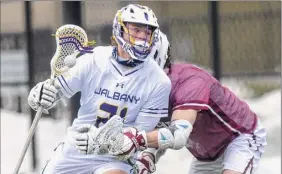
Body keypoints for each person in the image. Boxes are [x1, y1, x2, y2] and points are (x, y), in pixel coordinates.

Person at [27, 4, 171, 174]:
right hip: (76, 149)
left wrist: (102, 142)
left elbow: (140, 134)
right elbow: (56, 92)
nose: (142, 38)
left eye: (147, 33)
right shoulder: (94, 59)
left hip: (116, 158)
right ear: (120, 29)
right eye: (137, 30)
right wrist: (40, 95)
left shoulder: (159, 81)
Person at [107, 31, 267, 174]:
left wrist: (137, 140)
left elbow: (177, 134)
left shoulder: (189, 83)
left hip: (239, 137)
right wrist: (148, 156)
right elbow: (160, 128)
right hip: (206, 154)